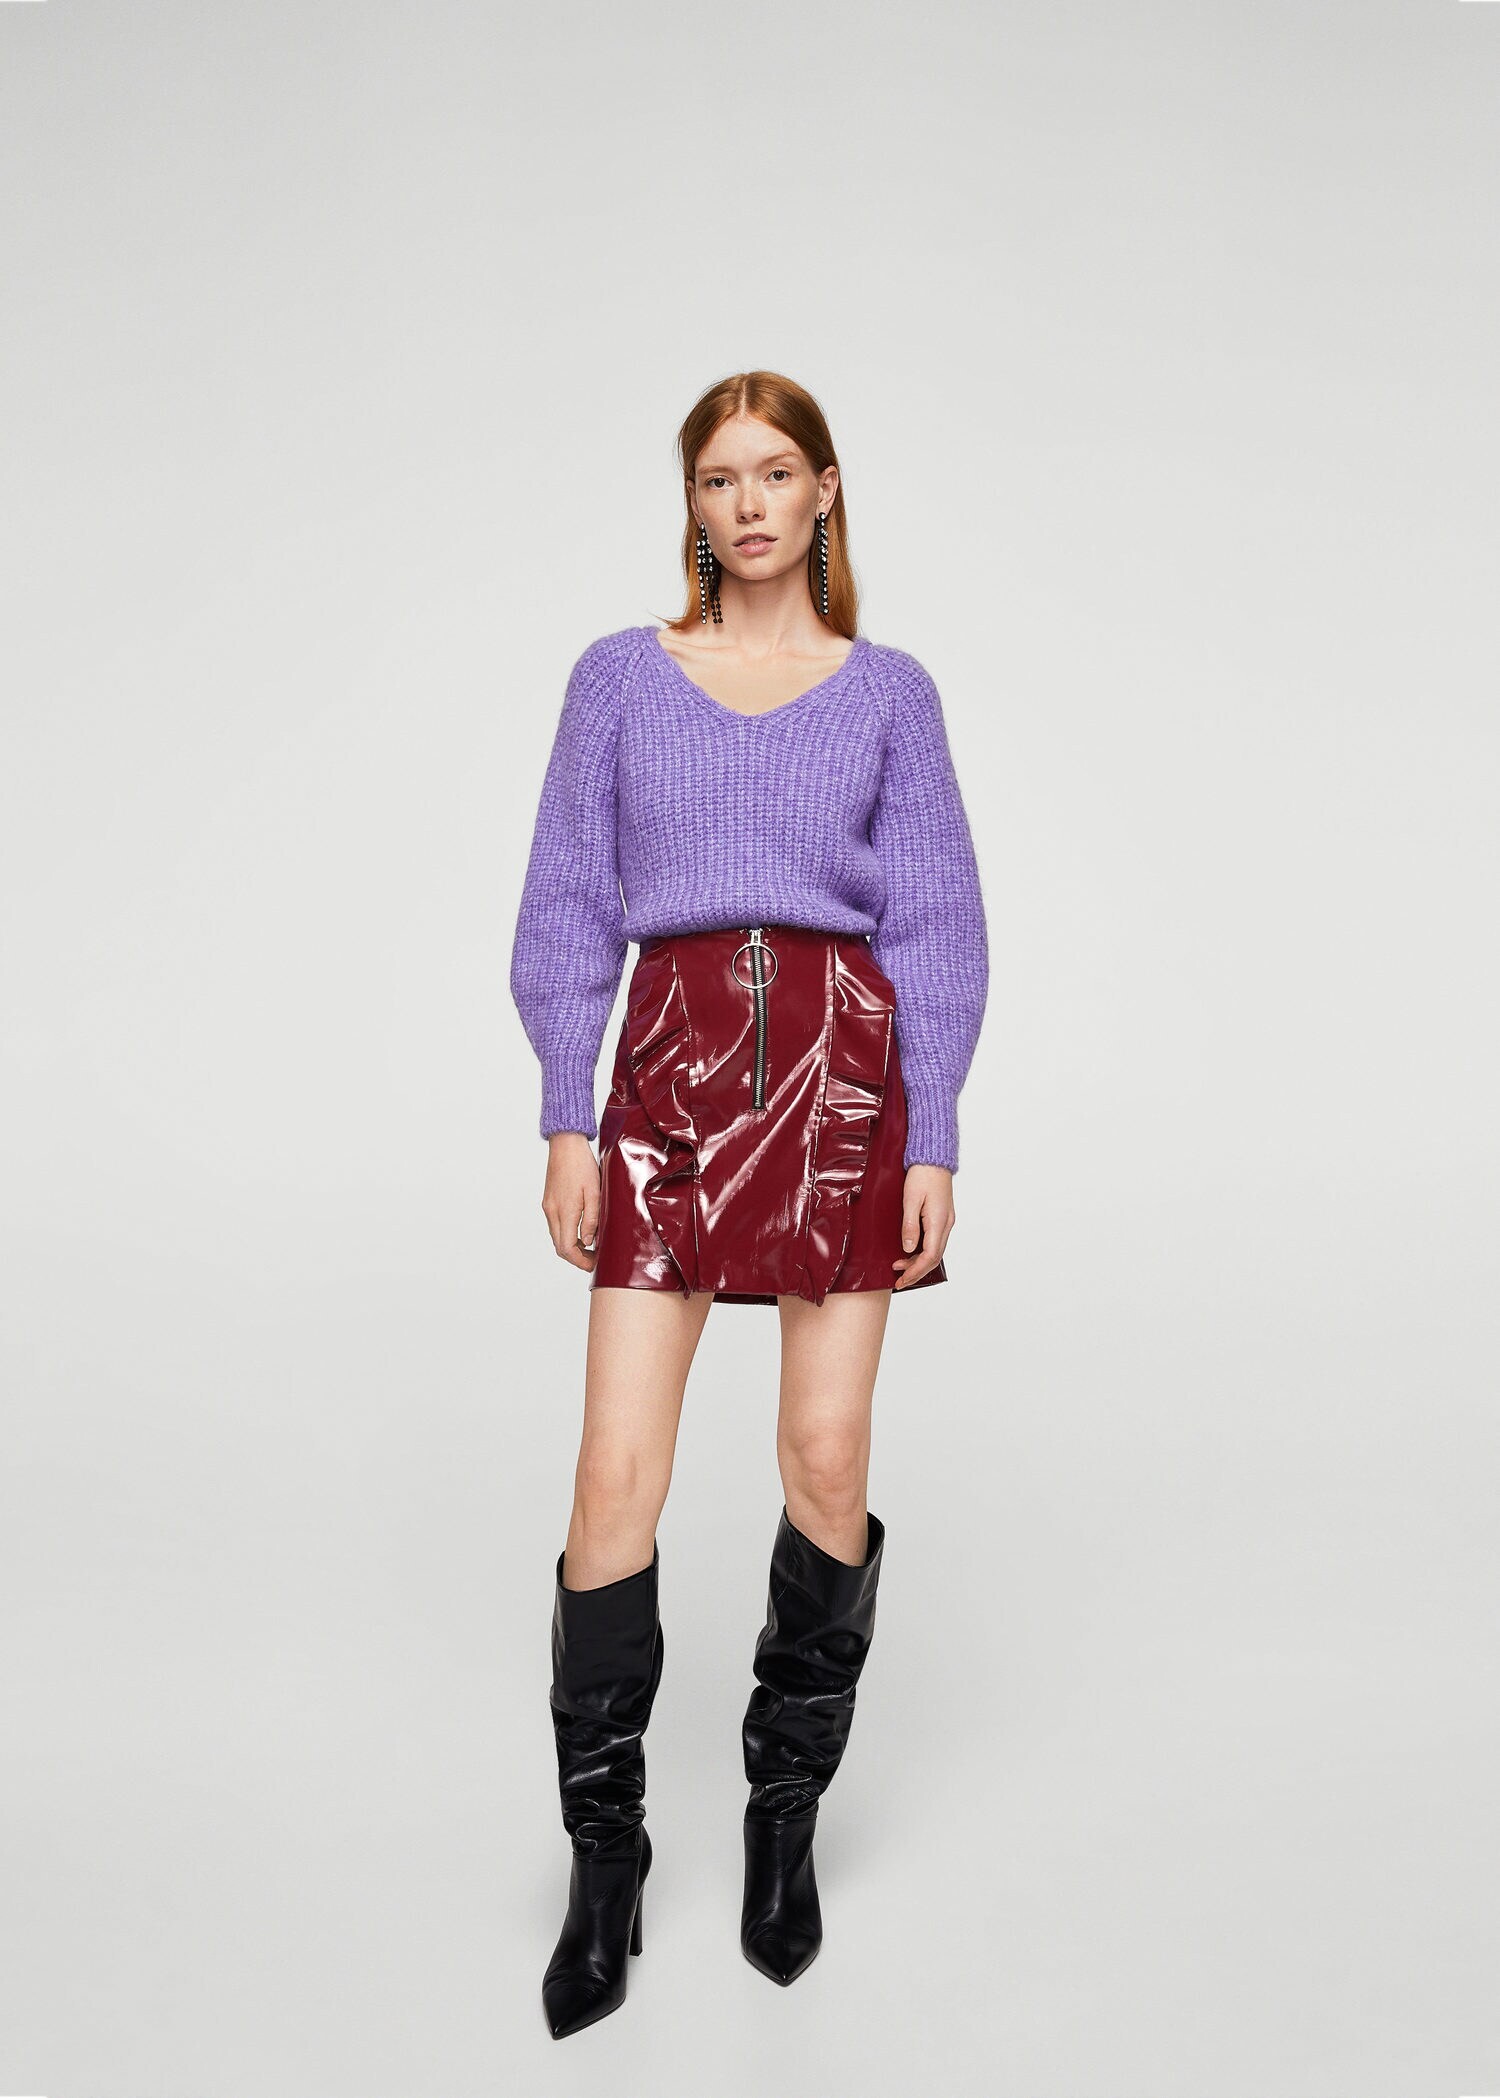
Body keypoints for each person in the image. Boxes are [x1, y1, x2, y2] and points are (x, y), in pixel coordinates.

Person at [509, 370, 989, 2039]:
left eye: (777, 473)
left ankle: (783, 1811)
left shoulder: (890, 694)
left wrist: (935, 1131)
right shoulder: (618, 680)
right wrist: (566, 1109)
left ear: (825, 490)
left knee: (826, 1456)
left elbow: (936, 917)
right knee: (614, 1473)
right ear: (694, 505)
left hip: (849, 1080)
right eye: (720, 479)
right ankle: (607, 1850)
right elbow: (568, 896)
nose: (750, 504)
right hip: (669, 1073)